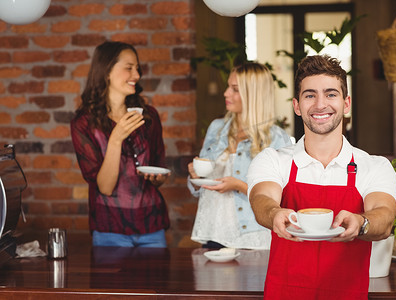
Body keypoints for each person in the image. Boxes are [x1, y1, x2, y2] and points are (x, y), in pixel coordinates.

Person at [247, 55, 396, 299]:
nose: (320, 104)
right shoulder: (273, 160)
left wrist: (361, 223)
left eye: (330, 94)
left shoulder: (374, 166)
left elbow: (384, 216)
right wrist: (274, 213)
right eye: (310, 95)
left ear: (346, 103)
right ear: (297, 106)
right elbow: (262, 198)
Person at [71, 41, 170, 247]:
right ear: (106, 71)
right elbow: (105, 187)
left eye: (137, 68)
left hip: (152, 224)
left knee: (157, 280)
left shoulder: (148, 116)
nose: (137, 75)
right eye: (129, 68)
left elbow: (158, 171)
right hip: (110, 229)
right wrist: (116, 139)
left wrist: (158, 178)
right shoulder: (83, 123)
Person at [187, 62, 293, 250]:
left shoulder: (277, 139)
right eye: (229, 86)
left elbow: (285, 197)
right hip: (214, 231)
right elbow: (201, 183)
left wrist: (238, 185)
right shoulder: (217, 128)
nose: (226, 93)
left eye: (234, 89)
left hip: (253, 236)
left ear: (253, 94)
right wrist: (196, 176)